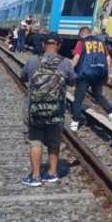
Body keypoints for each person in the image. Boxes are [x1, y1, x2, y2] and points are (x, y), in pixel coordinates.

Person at [19, 35, 74, 187]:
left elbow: (22, 76)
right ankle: (52, 173)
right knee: (53, 141)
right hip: (56, 110)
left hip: (34, 110)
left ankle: (36, 176)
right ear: (60, 45)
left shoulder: (33, 60)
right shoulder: (65, 63)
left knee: (35, 142)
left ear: (43, 44)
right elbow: (73, 80)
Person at [69, 26, 112, 131]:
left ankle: (75, 121)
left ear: (82, 34)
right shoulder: (101, 43)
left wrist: (69, 71)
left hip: (85, 74)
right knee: (98, 95)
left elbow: (76, 58)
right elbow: (108, 58)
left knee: (78, 98)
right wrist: (108, 74)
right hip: (99, 73)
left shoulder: (81, 43)